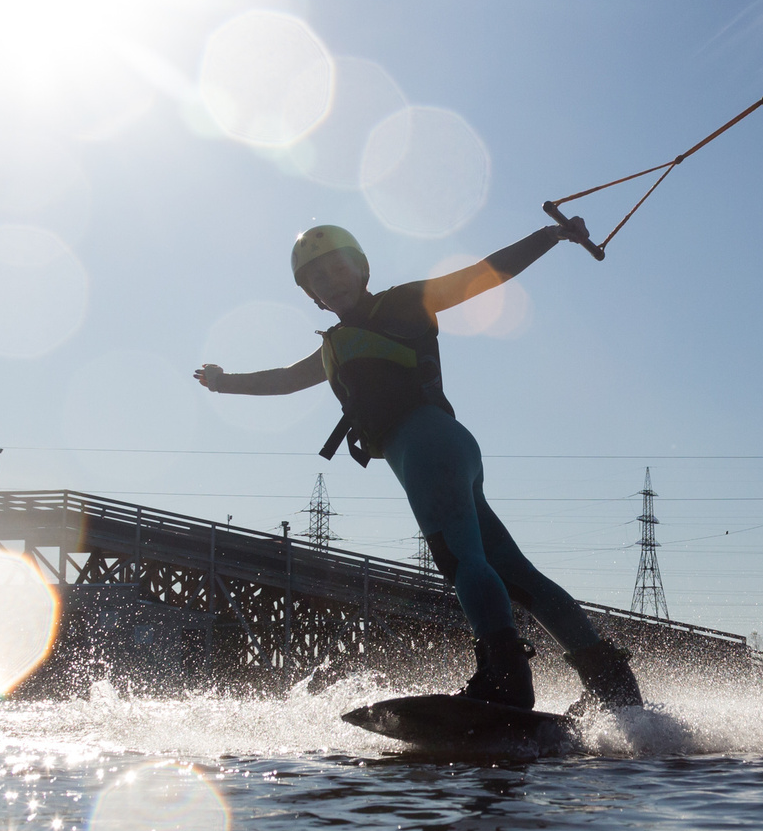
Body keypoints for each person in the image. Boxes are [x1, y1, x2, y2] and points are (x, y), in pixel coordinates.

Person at [194, 220, 644, 714]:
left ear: (361, 268)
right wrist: (223, 382)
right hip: (444, 452)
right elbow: (282, 381)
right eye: (317, 277)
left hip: (429, 446)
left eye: (339, 267)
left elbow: (484, 274)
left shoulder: (404, 302)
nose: (332, 279)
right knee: (514, 572)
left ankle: (505, 679)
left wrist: (552, 236)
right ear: (311, 295)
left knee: (462, 561)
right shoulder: (331, 347)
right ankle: (612, 684)